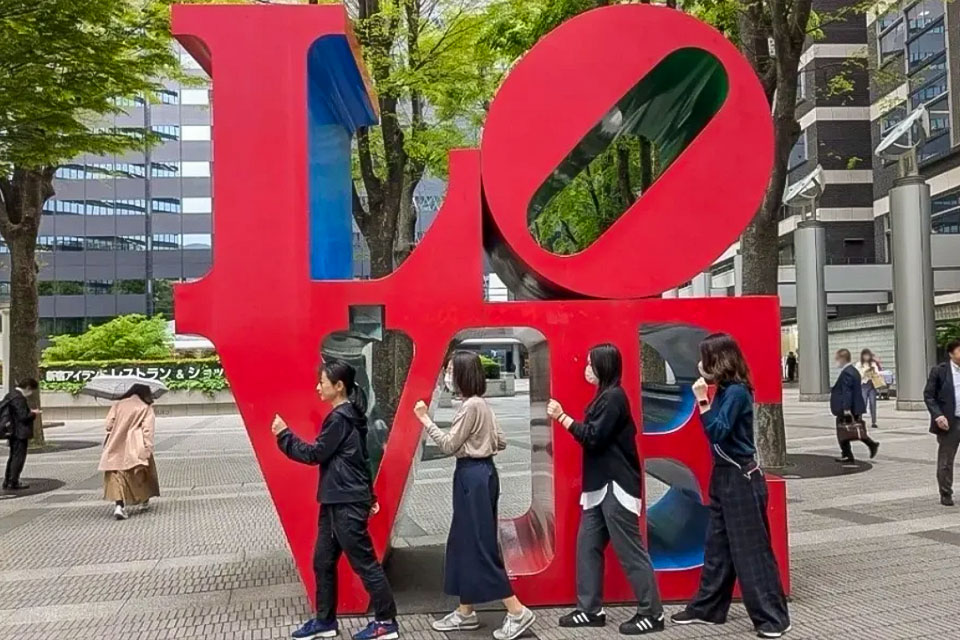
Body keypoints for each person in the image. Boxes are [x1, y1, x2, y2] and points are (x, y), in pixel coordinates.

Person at [670, 333, 790, 639]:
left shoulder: (735, 392)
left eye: (705, 358)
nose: (701, 364)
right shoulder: (725, 390)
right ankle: (708, 607)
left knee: (751, 552)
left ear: (717, 361)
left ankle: (773, 618)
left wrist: (702, 401)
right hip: (725, 476)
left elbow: (718, 432)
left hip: (741, 478)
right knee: (718, 546)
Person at [272, 358, 398, 640]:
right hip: (337, 500)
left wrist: (283, 436)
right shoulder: (349, 415)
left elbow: (314, 454)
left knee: (364, 563)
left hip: (346, 502)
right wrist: (371, 494)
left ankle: (386, 623)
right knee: (322, 562)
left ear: (338, 387)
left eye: (323, 383)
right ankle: (325, 621)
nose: (318, 387)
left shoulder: (340, 418)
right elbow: (361, 460)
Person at [413, 351, 536, 640]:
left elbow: (448, 444)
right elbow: (502, 441)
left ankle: (517, 611)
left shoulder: (471, 407)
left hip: (472, 475)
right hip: (482, 474)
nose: (448, 375)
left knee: (479, 545)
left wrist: (424, 419)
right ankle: (465, 612)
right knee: (463, 541)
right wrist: (482, 442)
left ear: (463, 374)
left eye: (451, 370)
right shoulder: (482, 405)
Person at [547, 344, 664, 636]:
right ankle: (590, 609)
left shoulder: (613, 398)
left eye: (589, 363)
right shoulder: (605, 396)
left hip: (617, 486)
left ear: (602, 366)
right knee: (587, 546)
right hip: (599, 486)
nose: (585, 368)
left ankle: (652, 612)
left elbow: (593, 437)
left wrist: (562, 417)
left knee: (630, 551)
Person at [98, 384, 160, 519]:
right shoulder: (145, 407)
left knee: (116, 475)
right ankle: (144, 498)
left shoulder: (118, 404)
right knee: (140, 473)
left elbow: (108, 425)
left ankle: (119, 506)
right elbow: (148, 430)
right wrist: (148, 448)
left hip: (115, 443)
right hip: (136, 445)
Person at [923, 340, 960, 507]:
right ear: (951, 353)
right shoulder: (940, 371)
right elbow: (929, 395)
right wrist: (938, 415)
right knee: (946, 460)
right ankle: (946, 492)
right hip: (949, 422)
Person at [831, 349, 879, 463]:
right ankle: (866, 446)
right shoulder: (853, 370)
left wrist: (846, 408)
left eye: (837, 359)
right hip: (855, 406)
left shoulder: (847, 372)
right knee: (853, 429)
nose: (836, 361)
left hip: (849, 408)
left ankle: (849, 453)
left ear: (842, 359)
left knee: (843, 430)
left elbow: (847, 392)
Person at [2, 378, 40, 491]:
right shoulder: (19, 398)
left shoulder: (11, 395)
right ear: (28, 388)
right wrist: (33, 413)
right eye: (31, 390)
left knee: (13, 456)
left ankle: (8, 480)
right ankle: (13, 481)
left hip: (12, 431)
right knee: (18, 457)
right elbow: (23, 416)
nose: (31, 393)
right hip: (20, 433)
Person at [855, 349, 884, 429]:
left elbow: (878, 373)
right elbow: (857, 375)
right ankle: (859, 419)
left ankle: (874, 421)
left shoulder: (873, 363)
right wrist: (865, 371)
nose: (866, 357)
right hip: (863, 385)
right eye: (865, 355)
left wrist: (875, 372)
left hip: (872, 385)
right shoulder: (859, 364)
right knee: (863, 403)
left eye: (868, 355)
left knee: (873, 403)